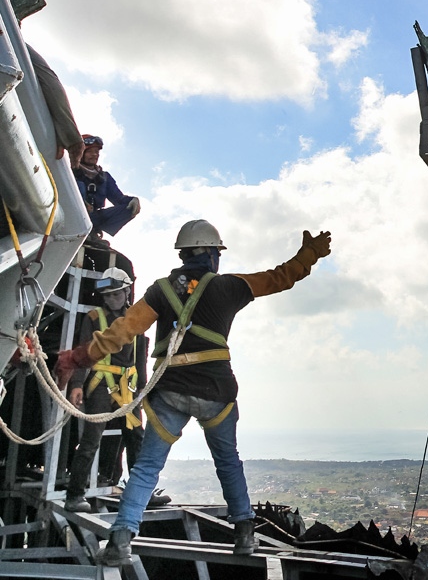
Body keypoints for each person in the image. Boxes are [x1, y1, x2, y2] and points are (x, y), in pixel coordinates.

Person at [56, 220, 332, 567]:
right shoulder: (228, 287)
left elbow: (121, 332)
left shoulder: (159, 291)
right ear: (213, 255)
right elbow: (280, 277)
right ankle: (244, 534)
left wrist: (77, 358)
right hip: (216, 390)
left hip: (170, 391)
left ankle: (121, 539)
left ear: (183, 255)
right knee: (228, 461)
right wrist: (309, 255)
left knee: (146, 469)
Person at [65, 268, 142, 513]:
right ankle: (74, 495)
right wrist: (77, 384)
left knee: (136, 438)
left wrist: (143, 388)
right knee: (91, 440)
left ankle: (141, 494)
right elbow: (83, 352)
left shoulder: (135, 318)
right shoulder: (95, 317)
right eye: (107, 295)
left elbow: (139, 355)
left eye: (116, 294)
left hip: (128, 386)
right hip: (101, 381)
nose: (111, 299)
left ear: (127, 290)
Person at [73, 135, 140, 241]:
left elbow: (118, 198)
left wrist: (132, 200)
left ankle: (92, 232)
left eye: (97, 152)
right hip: (72, 215)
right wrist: (80, 203)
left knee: (130, 206)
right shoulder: (70, 171)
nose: (95, 155)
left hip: (93, 217)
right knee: (79, 185)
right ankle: (78, 229)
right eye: (90, 151)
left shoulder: (104, 177)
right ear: (81, 153)